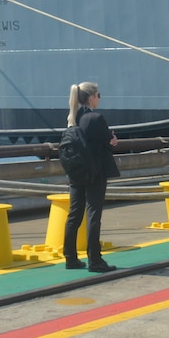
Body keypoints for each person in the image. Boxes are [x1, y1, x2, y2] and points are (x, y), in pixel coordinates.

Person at [62, 81, 121, 273]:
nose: (99, 98)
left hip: (76, 173)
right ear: (91, 97)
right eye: (98, 95)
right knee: (93, 214)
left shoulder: (72, 117)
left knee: (74, 215)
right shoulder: (96, 118)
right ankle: (95, 259)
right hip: (95, 172)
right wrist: (112, 140)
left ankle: (70, 258)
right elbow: (109, 141)